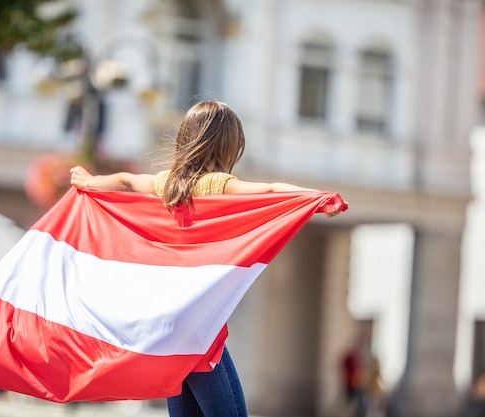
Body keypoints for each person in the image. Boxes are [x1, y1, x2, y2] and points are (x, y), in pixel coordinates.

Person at [70, 100, 344, 417]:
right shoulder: (216, 185)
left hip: (169, 328)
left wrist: (90, 182)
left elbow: (127, 181)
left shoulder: (166, 184)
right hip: (198, 329)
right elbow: (270, 191)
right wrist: (318, 200)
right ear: (228, 146)